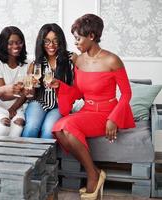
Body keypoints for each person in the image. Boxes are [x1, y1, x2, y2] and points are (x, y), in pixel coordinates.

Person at [51, 14, 135, 200]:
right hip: (87, 111)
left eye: (78, 38)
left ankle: (93, 176)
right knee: (58, 129)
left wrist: (113, 118)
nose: (75, 43)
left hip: (106, 113)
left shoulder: (112, 60)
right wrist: (60, 86)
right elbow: (78, 92)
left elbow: (127, 93)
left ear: (91, 36)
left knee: (68, 127)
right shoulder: (79, 61)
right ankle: (95, 171)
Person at [21, 23, 74, 139]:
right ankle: (25, 157)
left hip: (59, 105)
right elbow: (29, 96)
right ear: (41, 42)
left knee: (48, 131)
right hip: (39, 102)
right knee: (31, 128)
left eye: (55, 41)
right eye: (47, 41)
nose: (51, 45)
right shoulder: (35, 65)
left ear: (61, 41)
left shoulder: (71, 59)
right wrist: (30, 89)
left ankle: (45, 158)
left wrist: (60, 86)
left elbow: (77, 88)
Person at [0, 26, 29, 137]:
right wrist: (23, 90)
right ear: (4, 44)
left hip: (17, 107)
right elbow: (3, 96)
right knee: (4, 125)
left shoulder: (28, 64)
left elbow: (27, 94)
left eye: (19, 42)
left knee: (18, 126)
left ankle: (11, 154)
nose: (15, 46)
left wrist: (13, 108)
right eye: (11, 43)